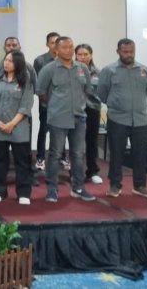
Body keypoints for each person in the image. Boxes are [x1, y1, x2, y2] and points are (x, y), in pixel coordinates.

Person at [36, 36, 95, 203]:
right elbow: (41, 92)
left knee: (77, 154)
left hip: (79, 117)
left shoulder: (82, 68)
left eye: (71, 47)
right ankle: (51, 189)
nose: (68, 50)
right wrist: (56, 105)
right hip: (58, 118)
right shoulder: (49, 69)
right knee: (55, 154)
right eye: (64, 47)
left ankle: (78, 188)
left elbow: (87, 90)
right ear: (56, 49)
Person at [97, 39, 147, 199]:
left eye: (131, 51)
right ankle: (115, 185)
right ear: (118, 52)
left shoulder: (143, 70)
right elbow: (102, 93)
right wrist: (117, 104)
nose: (129, 54)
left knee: (141, 154)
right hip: (118, 119)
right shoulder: (109, 70)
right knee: (116, 154)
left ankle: (140, 186)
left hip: (141, 120)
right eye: (125, 52)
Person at [0, 51, 34, 205]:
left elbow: (25, 106)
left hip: (18, 128)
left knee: (22, 162)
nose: (6, 63)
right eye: (5, 60)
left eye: (10, 61)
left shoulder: (25, 81)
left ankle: (23, 193)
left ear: (18, 64)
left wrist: (11, 124)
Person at [33, 32, 62, 171]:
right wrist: (45, 99)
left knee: (61, 131)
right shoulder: (40, 60)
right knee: (43, 130)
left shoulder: (66, 59)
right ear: (47, 44)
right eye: (52, 43)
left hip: (63, 104)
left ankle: (61, 157)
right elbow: (37, 84)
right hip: (46, 102)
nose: (55, 45)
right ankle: (40, 158)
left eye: (57, 42)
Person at [74, 44, 103, 185]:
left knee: (91, 141)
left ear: (91, 55)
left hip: (92, 109)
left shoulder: (97, 72)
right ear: (75, 56)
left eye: (86, 54)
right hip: (76, 109)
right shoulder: (71, 70)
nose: (83, 57)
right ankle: (75, 172)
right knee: (75, 143)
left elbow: (103, 91)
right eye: (80, 54)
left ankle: (92, 171)